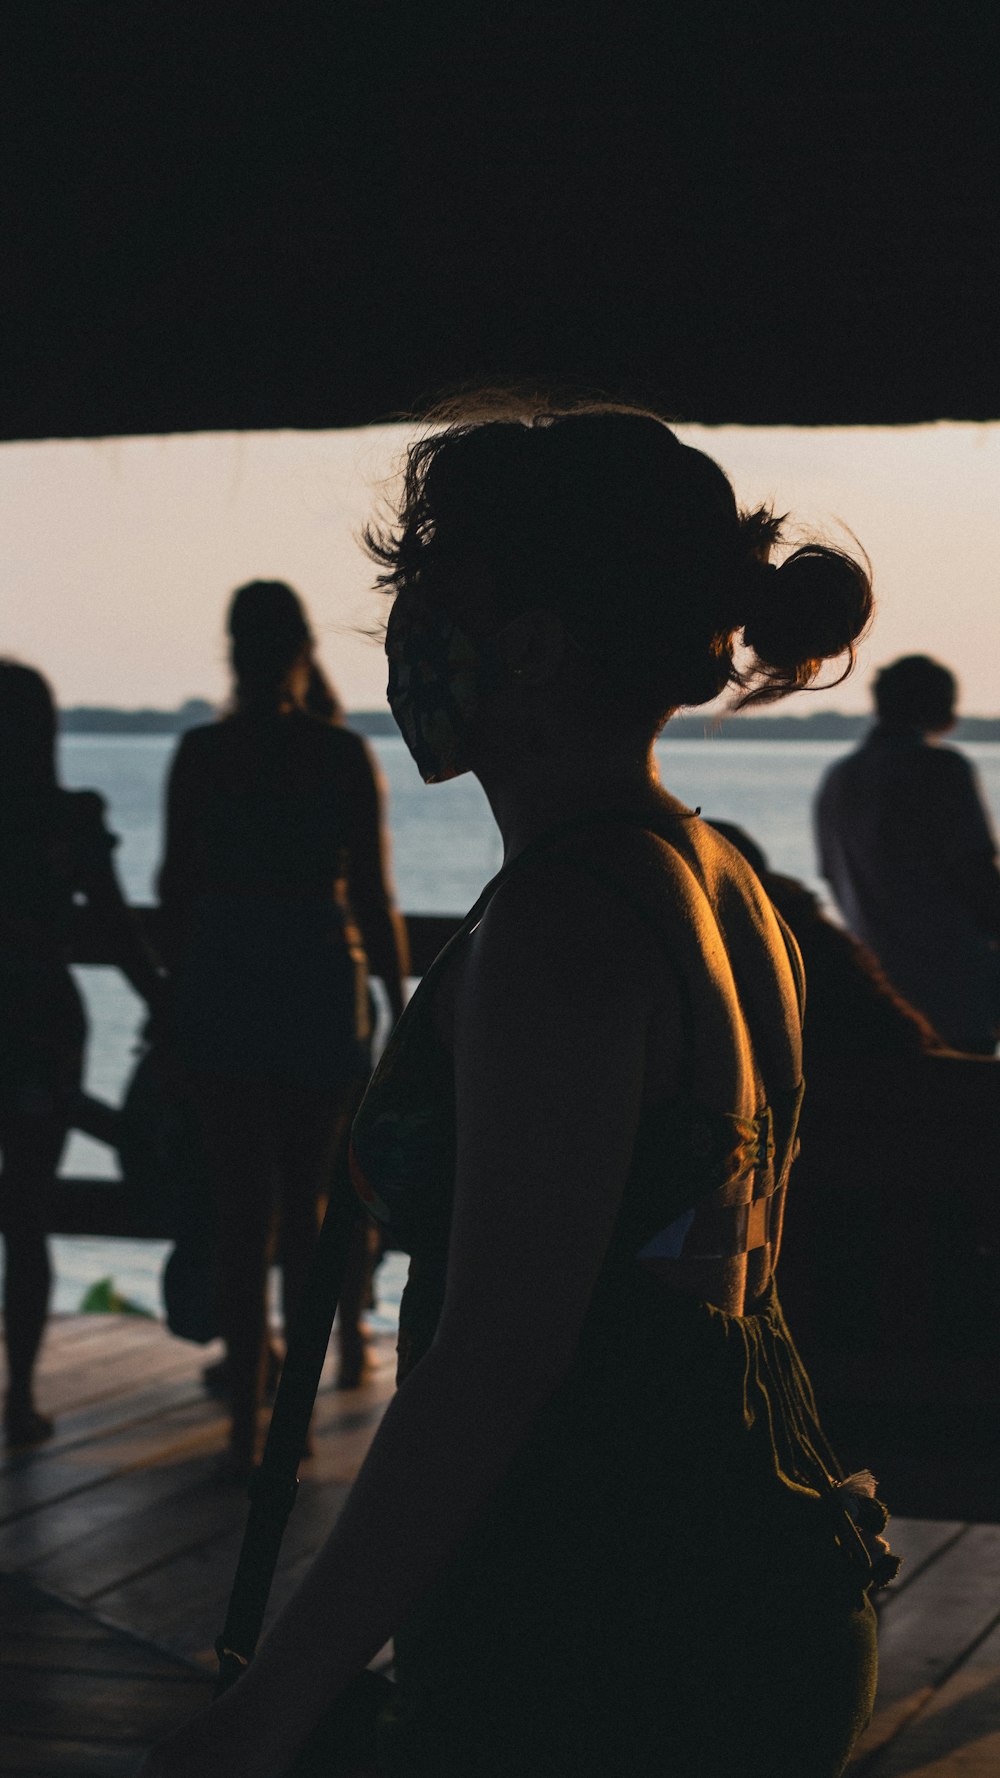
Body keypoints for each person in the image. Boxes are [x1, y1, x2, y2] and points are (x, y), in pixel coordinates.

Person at [140, 402, 892, 1778]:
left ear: (534, 643)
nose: (405, 621)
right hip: (762, 1575)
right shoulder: (720, 880)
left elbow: (496, 1362)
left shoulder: (562, 928)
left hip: (606, 1637)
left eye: (433, 585)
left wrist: (264, 1714)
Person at [157, 582, 408, 1475]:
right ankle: (293, 1420)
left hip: (223, 971)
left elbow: (174, 892)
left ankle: (241, 1431)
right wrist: (398, 1001)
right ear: (305, 647)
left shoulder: (203, 753)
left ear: (234, 650)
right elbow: (373, 897)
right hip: (313, 969)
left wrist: (165, 1004)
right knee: (306, 1209)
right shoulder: (339, 756)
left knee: (240, 1209)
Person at [0, 661, 164, 1447]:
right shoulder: (68, 817)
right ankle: (19, 1396)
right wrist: (164, 1004)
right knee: (26, 1215)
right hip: (41, 1022)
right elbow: (119, 927)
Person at [815, 653, 1000, 1054]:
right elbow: (977, 877)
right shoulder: (940, 768)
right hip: (956, 992)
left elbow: (832, 875)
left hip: (879, 994)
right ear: (939, 706)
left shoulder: (839, 778)